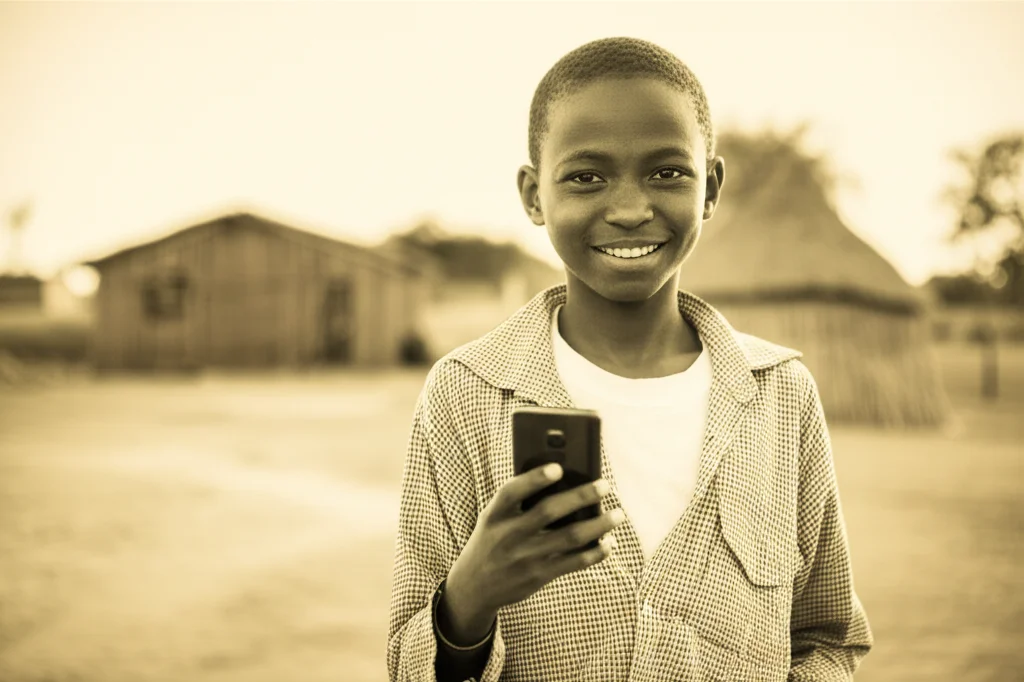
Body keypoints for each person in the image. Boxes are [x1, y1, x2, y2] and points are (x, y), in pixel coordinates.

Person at [387, 36, 873, 682]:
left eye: (667, 172)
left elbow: (827, 639)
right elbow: (405, 666)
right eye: (586, 177)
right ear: (534, 196)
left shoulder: (782, 398)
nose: (629, 209)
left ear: (711, 188)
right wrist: (469, 597)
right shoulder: (464, 398)